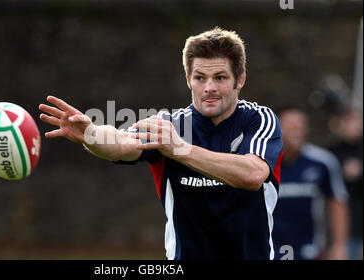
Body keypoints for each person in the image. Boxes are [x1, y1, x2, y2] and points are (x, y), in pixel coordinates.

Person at [39, 27, 283, 260]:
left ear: (239, 80)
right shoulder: (169, 126)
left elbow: (252, 174)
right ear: (188, 79)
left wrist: (180, 150)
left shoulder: (259, 119)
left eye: (220, 77)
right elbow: (122, 143)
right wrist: (91, 133)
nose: (209, 87)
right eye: (200, 77)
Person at [272, 107, 349, 260]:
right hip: (270, 247)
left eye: (300, 124)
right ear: (276, 128)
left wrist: (339, 245)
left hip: (310, 248)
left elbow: (337, 203)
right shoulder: (263, 163)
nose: (296, 128)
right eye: (290, 124)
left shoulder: (323, 162)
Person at [329, 109, 363, 260]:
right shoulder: (333, 151)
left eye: (357, 122)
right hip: (347, 222)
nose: (354, 126)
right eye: (349, 122)